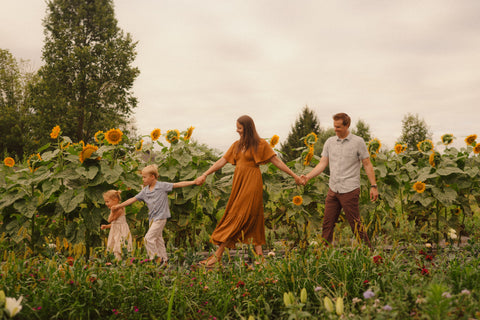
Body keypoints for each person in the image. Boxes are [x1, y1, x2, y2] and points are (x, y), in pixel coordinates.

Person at [195, 115, 302, 267]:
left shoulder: (260, 144)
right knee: (254, 218)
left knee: (238, 215)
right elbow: (222, 161)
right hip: (239, 184)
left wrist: (295, 176)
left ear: (247, 128)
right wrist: (205, 174)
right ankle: (260, 258)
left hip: (252, 184)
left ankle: (217, 255)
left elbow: (276, 161)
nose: (237, 130)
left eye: (239, 127)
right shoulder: (236, 145)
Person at [301, 113, 378, 248]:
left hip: (350, 189)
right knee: (327, 223)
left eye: (338, 127)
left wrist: (373, 186)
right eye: (334, 126)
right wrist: (308, 176)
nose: (335, 129)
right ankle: (323, 254)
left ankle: (369, 252)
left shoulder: (358, 142)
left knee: (355, 223)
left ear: (347, 125)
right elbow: (322, 163)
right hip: (333, 189)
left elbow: (367, 163)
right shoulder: (330, 142)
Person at [112, 164, 198, 264]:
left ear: (152, 177)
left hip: (161, 218)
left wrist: (194, 182)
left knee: (148, 239)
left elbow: (177, 184)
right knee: (158, 239)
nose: (143, 179)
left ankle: (155, 259)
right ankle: (164, 260)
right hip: (152, 219)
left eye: (144, 177)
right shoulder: (145, 191)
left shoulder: (162, 186)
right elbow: (133, 199)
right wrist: (119, 206)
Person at [101, 190, 133, 260]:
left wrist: (112, 212)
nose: (106, 204)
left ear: (115, 200)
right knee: (115, 248)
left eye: (107, 201)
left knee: (118, 248)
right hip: (116, 230)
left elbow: (110, 220)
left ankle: (119, 263)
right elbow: (114, 224)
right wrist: (106, 226)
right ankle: (118, 263)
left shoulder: (119, 209)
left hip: (120, 232)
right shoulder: (115, 209)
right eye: (105, 202)